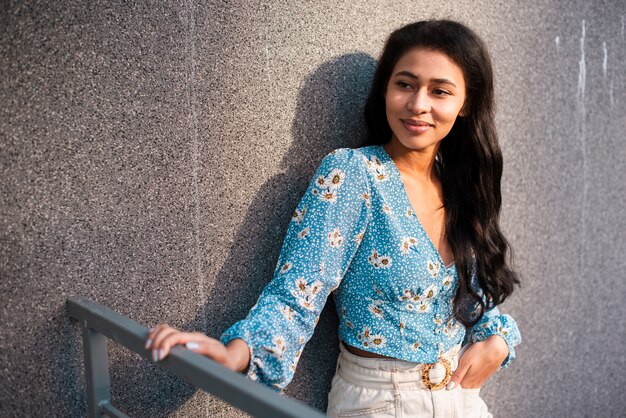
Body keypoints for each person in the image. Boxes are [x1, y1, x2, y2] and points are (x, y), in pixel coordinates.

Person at [145, 19, 521, 417]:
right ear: (384, 90)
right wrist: (235, 353)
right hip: (379, 402)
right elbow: (298, 289)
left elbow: (472, 297)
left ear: (465, 104)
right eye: (405, 84)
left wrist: (498, 340)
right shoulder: (354, 175)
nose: (418, 104)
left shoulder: (461, 187)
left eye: (440, 91)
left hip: (460, 402)